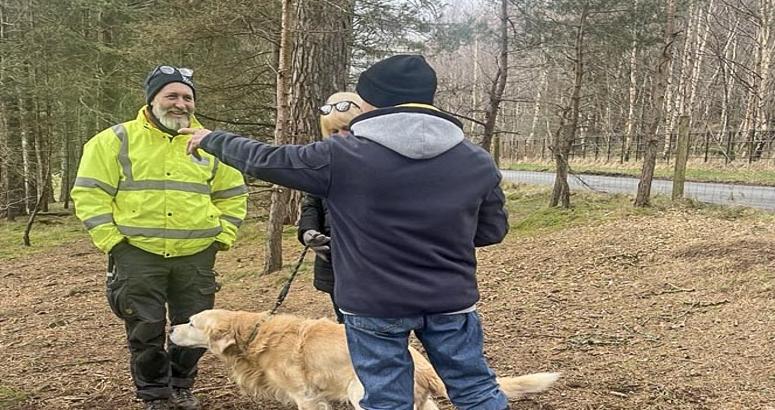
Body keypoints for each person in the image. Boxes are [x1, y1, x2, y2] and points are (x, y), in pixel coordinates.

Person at [183, 55, 510, 410]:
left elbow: (267, 159)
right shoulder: (476, 160)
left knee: (385, 398)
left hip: (373, 302)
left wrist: (212, 139)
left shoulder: (342, 156)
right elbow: (492, 230)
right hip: (451, 299)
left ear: (373, 101)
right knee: (475, 389)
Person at [71, 65, 248, 410]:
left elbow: (233, 194)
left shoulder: (210, 144)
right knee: (145, 328)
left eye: (187, 97)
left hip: (197, 254)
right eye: (171, 95)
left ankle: (182, 385)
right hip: (136, 252)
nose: (180, 104)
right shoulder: (114, 140)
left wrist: (221, 237)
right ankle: (155, 394)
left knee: (194, 327)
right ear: (152, 100)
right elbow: (89, 194)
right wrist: (113, 242)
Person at [297, 92, 364, 323]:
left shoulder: (380, 163)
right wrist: (308, 232)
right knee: (346, 324)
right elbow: (311, 204)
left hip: (370, 265)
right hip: (333, 262)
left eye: (346, 128)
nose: (341, 137)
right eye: (334, 132)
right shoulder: (323, 165)